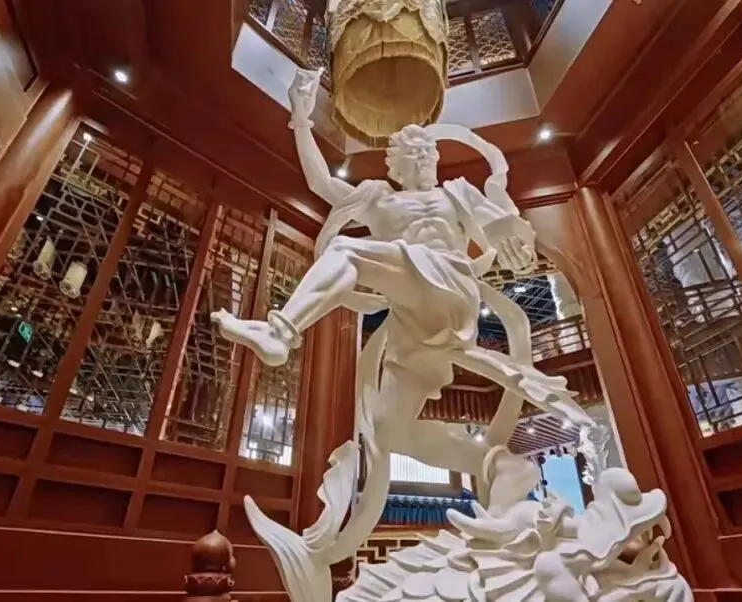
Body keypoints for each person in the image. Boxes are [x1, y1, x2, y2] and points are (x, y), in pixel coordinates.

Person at [213, 68, 590, 516]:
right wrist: (300, 118)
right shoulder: (378, 200)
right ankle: (500, 465)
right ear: (397, 165)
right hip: (413, 322)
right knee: (391, 429)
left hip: (451, 286)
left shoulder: (457, 194)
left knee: (348, 251)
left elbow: (502, 230)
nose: (426, 161)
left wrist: (514, 241)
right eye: (416, 156)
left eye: (429, 154)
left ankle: (281, 331)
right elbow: (321, 184)